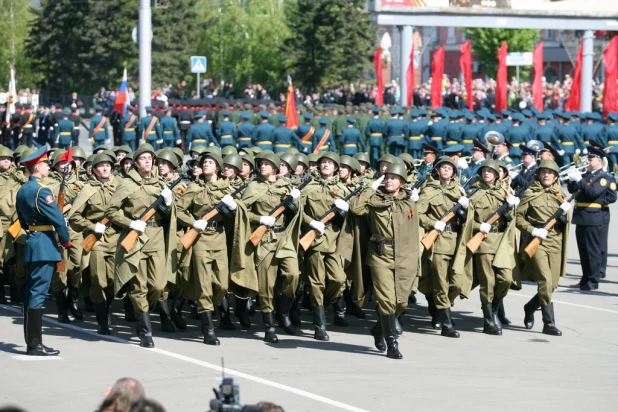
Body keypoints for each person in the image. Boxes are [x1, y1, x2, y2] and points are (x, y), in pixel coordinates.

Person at [105, 144, 177, 347]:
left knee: (158, 285)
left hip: (156, 238)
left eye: (150, 158)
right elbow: (111, 211)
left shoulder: (159, 185)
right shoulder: (126, 184)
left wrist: (170, 204)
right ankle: (145, 331)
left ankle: (143, 311)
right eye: (143, 158)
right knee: (139, 286)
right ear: (135, 163)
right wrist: (130, 223)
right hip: (136, 238)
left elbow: (169, 216)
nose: (147, 161)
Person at [349, 162, 419, 359]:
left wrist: (415, 260)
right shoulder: (374, 199)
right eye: (387, 177)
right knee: (386, 300)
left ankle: (378, 329)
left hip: (405, 255)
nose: (389, 180)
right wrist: (371, 187)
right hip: (380, 254)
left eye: (394, 178)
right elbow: (355, 208)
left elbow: (414, 233)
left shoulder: (409, 202)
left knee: (401, 302)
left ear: (402, 182)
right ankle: (392, 343)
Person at [236, 151, 302, 342]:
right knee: (266, 285)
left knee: (293, 275)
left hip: (284, 238)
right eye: (260, 164)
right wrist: (259, 219)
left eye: (266, 164)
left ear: (274, 167)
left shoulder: (286, 186)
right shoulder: (253, 186)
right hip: (264, 239)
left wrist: (295, 204)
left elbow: (295, 215)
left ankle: (283, 311)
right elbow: (242, 212)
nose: (262, 166)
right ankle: (269, 325)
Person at [177, 152, 237, 345]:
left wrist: (234, 207)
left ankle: (213, 308)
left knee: (222, 286)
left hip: (219, 238)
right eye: (204, 163)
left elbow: (239, 215)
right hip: (200, 239)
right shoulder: (194, 187)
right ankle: (208, 329)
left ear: (218, 168)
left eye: (210, 163)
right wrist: (194, 222)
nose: (205, 165)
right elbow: (179, 209)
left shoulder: (227, 188)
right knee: (204, 286)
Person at [16, 146, 71, 356]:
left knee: (32, 292)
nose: (49, 166)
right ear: (38, 166)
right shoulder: (42, 191)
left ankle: (32, 343)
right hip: (45, 246)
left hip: (33, 241)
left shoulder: (23, 190)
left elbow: (21, 220)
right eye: (46, 163)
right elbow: (58, 220)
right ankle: (35, 345)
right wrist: (65, 242)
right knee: (38, 294)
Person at [455, 160, 517, 336]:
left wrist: (513, 207)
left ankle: (495, 310)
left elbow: (512, 220)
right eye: (484, 171)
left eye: (491, 171)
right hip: (482, 242)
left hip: (502, 241)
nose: (487, 174)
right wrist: (478, 226)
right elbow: (467, 221)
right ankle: (489, 320)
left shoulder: (505, 192)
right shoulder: (474, 194)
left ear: (497, 175)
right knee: (487, 282)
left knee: (505, 278)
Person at [516, 160, 570, 336]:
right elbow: (518, 218)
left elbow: (564, 223)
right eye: (543, 172)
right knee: (545, 282)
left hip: (555, 243)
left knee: (552, 285)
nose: (546, 175)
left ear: (555, 176)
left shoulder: (560, 195)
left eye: (550, 172)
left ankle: (530, 306)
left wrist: (565, 216)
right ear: (538, 175)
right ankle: (549, 323)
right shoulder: (530, 193)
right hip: (537, 242)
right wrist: (533, 230)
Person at [417, 156, 468, 338]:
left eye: (449, 168)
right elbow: (418, 214)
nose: (446, 170)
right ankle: (447, 323)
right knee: (441, 283)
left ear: (454, 172)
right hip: (437, 241)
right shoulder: (428, 190)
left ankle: (438, 307)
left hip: (455, 240)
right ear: (437, 171)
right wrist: (433, 223)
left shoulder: (460, 191)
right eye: (442, 167)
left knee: (456, 283)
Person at [301, 152, 350, 340]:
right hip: (314, 239)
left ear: (336, 167)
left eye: (330, 163)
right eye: (323, 163)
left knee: (338, 279)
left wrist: (345, 212)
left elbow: (352, 216)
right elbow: (299, 212)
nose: (326, 165)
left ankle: (322, 305)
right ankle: (319, 325)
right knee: (316, 283)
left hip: (335, 239)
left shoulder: (342, 189)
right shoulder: (309, 187)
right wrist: (311, 222)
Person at [68, 153, 118, 335]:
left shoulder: (120, 186)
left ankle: (106, 307)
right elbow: (74, 216)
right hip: (96, 240)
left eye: (108, 166)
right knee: (98, 282)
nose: (105, 168)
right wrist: (92, 225)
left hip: (116, 237)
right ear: (94, 170)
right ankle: (102, 319)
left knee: (114, 282)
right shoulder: (88, 189)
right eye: (101, 166)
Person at [567, 146, 617, 290]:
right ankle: (585, 278)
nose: (587, 161)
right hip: (582, 215)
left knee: (592, 250)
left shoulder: (603, 177)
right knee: (583, 250)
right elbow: (573, 191)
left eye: (591, 159)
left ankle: (593, 280)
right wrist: (572, 180)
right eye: (588, 158)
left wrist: (580, 180)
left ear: (599, 161)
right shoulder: (587, 175)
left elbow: (592, 193)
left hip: (593, 217)